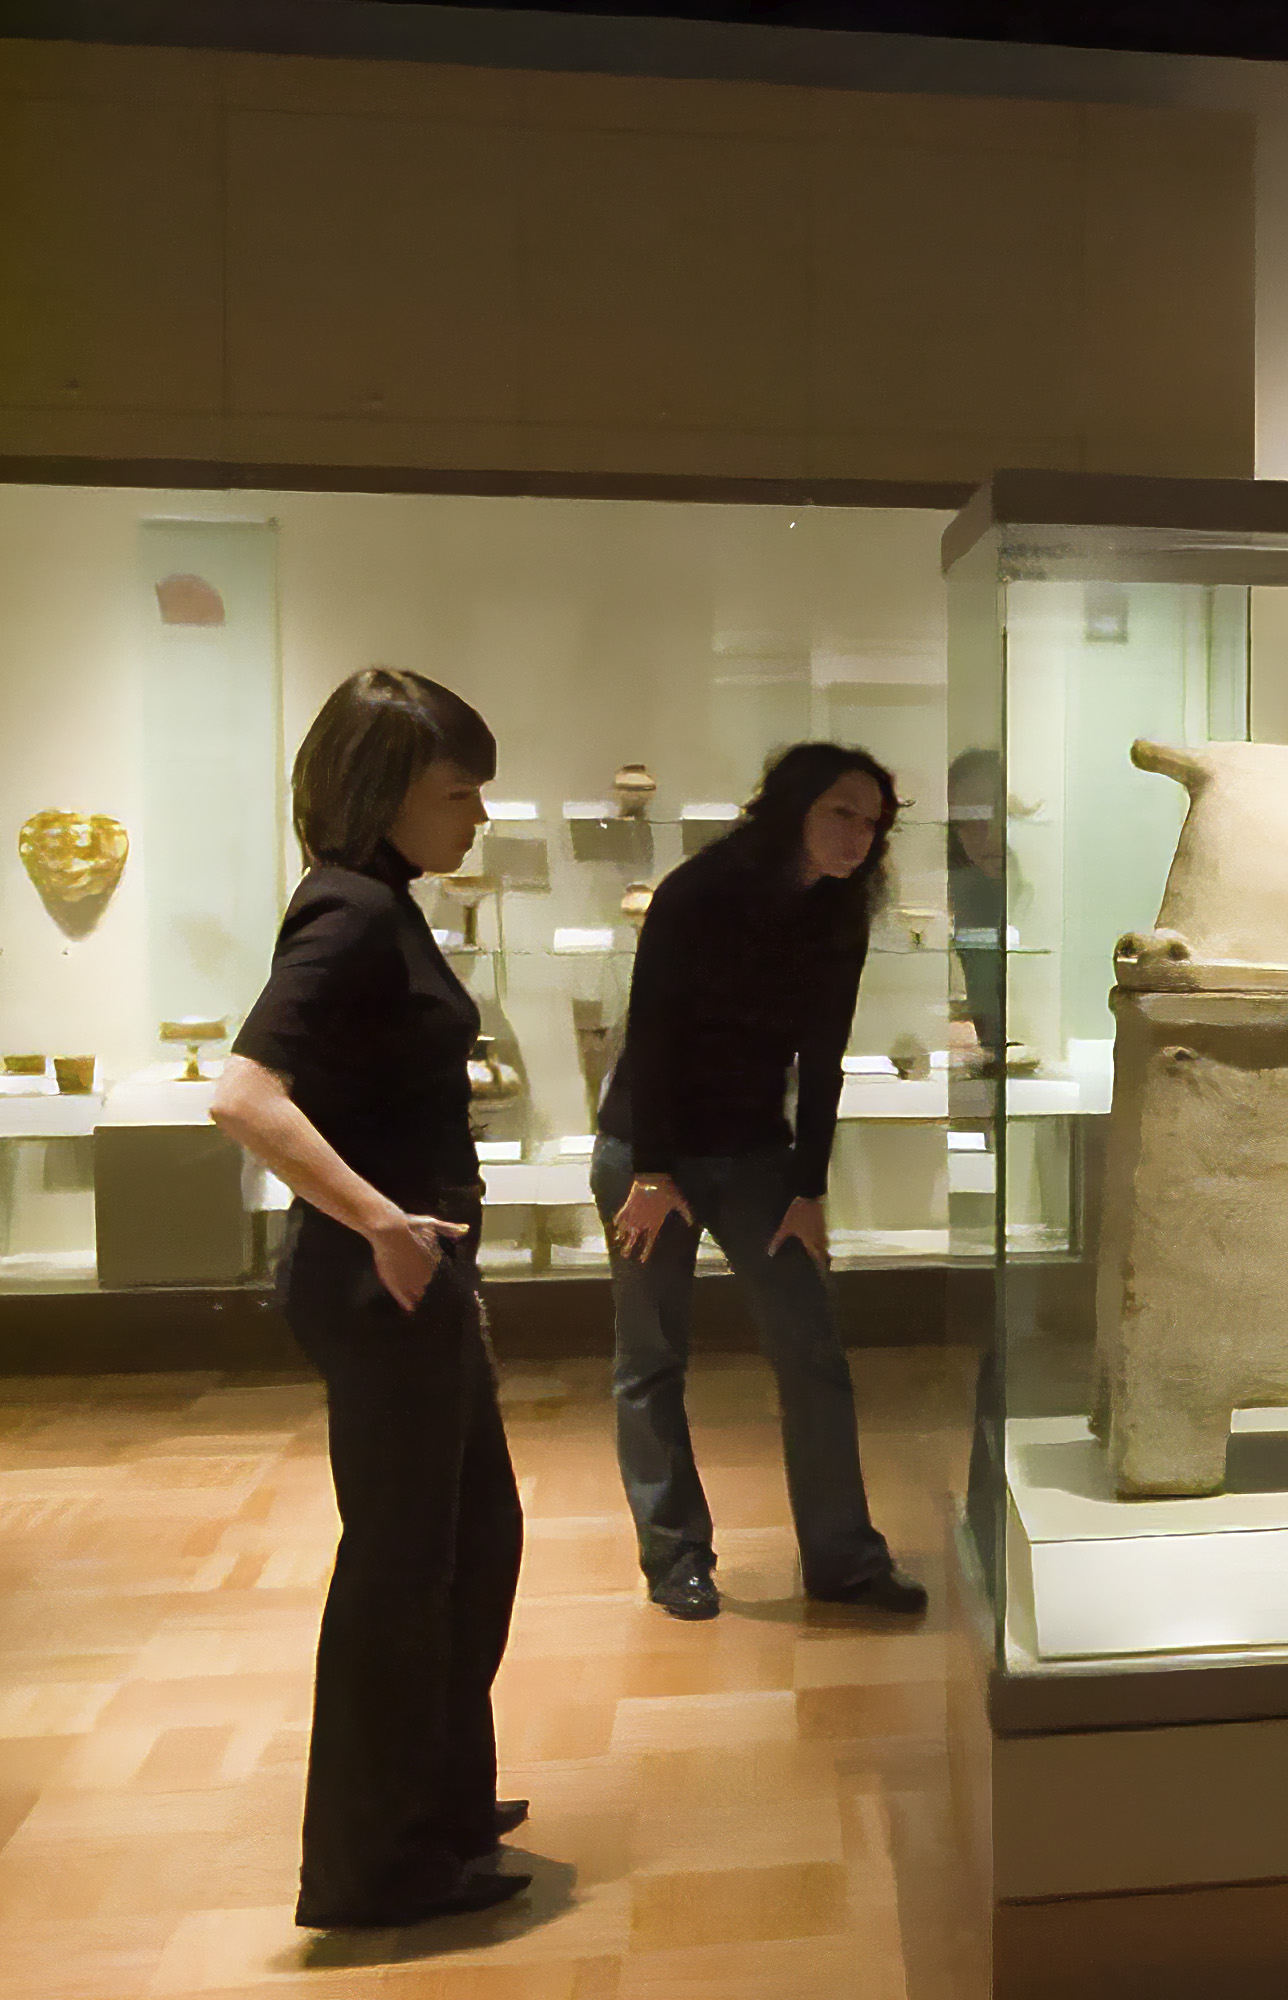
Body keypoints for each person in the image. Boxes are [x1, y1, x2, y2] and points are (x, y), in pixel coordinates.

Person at [211, 668, 529, 1929]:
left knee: (472, 1538)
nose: (477, 818)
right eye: (460, 793)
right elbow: (245, 1093)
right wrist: (381, 1220)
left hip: (411, 1282)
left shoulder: (380, 899)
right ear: (388, 792)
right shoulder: (348, 911)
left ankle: (436, 1801)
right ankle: (368, 1863)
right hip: (379, 1281)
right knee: (404, 1567)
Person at [593, 742, 928, 1622]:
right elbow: (655, 1035)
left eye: (873, 823)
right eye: (841, 814)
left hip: (754, 1157)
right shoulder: (698, 893)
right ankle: (676, 1560)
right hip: (649, 1154)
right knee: (651, 1359)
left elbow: (822, 1061)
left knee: (811, 1351)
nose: (860, 837)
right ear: (791, 808)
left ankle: (844, 1558)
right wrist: (657, 1170)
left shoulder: (839, 911)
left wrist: (808, 1186)